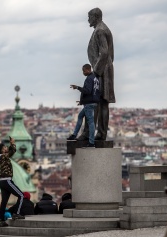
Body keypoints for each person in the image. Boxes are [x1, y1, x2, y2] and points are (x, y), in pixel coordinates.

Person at [78, 7, 115, 142]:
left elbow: (104, 53)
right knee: (102, 103)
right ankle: (101, 134)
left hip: (101, 70)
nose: (88, 19)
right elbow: (110, 54)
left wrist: (96, 73)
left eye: (89, 17)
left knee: (93, 102)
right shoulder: (103, 29)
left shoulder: (100, 31)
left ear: (96, 17)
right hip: (106, 68)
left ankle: (89, 134)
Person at [67, 64, 100, 148]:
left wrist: (77, 87)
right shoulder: (95, 78)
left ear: (88, 70)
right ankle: (74, 135)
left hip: (89, 104)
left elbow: (87, 91)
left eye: (84, 70)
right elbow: (93, 92)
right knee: (80, 116)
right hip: (92, 102)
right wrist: (82, 101)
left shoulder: (89, 78)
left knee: (91, 122)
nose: (83, 72)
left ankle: (91, 142)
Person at [0, 136, 25, 227]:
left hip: (2, 182)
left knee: (4, 202)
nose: (6, 148)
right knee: (21, 195)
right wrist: (12, 143)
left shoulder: (0, 157)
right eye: (4, 147)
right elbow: (12, 152)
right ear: (2, 150)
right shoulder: (4, 156)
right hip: (7, 181)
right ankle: (17, 213)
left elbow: (10, 151)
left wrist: (11, 145)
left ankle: (1, 221)